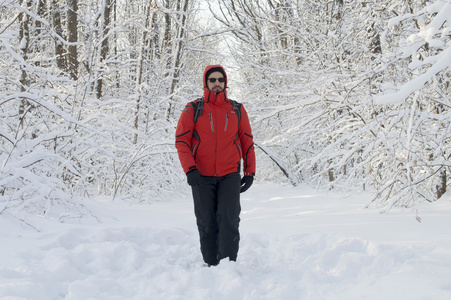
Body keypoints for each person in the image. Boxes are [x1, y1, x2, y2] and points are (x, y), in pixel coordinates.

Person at [175, 65, 256, 266]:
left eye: (220, 80)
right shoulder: (193, 109)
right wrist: (190, 169)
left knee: (229, 218)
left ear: (225, 83)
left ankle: (228, 264)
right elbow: (181, 141)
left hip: (229, 174)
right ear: (206, 83)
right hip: (201, 175)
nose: (217, 83)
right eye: (213, 80)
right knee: (206, 221)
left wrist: (250, 172)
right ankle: (211, 263)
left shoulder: (237, 109)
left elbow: (247, 141)